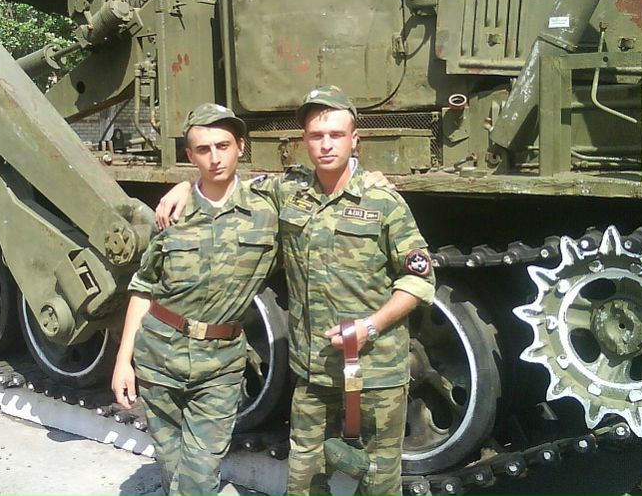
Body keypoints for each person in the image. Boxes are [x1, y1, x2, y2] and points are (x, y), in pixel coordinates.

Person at [156, 86, 436, 496]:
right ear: (305, 140)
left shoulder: (383, 202)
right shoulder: (289, 190)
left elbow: (418, 279)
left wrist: (370, 326)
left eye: (336, 135)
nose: (326, 145)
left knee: (379, 482)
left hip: (375, 373)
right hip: (313, 371)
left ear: (355, 139)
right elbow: (225, 183)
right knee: (303, 482)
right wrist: (185, 185)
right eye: (317, 136)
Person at [111, 103, 278, 496]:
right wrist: (123, 361)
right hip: (158, 361)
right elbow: (144, 287)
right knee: (172, 469)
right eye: (203, 149)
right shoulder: (171, 216)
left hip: (219, 367)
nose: (215, 157)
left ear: (241, 147)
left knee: (199, 479)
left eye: (223, 146)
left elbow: (324, 186)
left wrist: (370, 178)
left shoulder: (267, 210)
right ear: (190, 155)